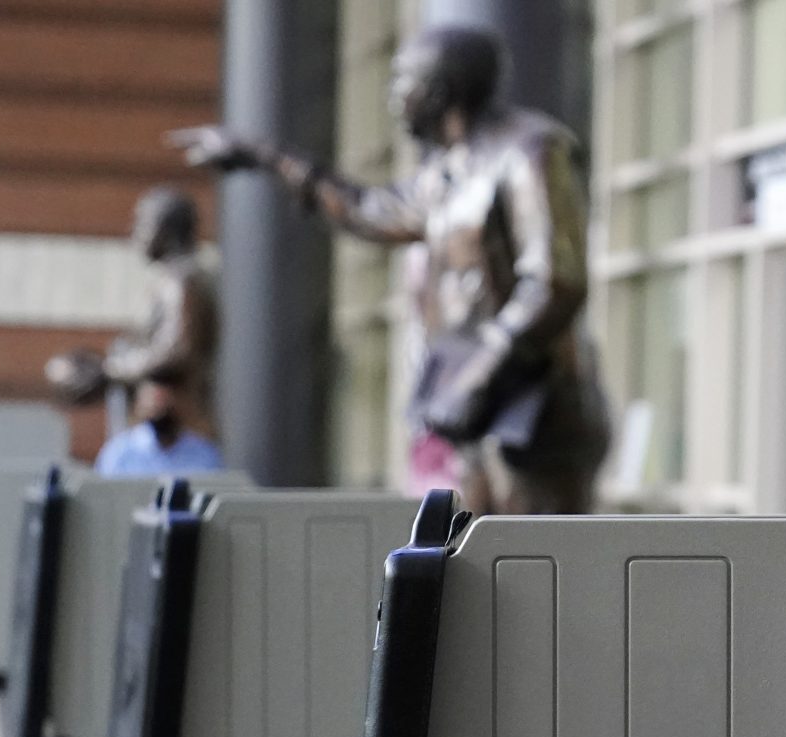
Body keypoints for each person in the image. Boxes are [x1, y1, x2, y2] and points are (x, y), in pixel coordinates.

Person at [169, 25, 610, 515]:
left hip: (538, 423)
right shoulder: (449, 171)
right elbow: (369, 210)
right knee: (482, 570)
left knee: (544, 573)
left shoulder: (530, 151)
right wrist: (266, 156)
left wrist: (480, 373)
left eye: (402, 82)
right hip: (477, 418)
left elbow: (556, 282)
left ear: (439, 91)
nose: (393, 97)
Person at [46, 186, 220, 440]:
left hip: (179, 430)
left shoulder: (180, 282)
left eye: (143, 224)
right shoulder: (176, 280)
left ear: (167, 230)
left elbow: (176, 350)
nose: (135, 233)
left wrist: (114, 370)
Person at [95, 381, 223, 476]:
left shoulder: (204, 452)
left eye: (166, 405)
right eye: (154, 407)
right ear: (139, 406)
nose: (161, 412)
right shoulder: (118, 452)